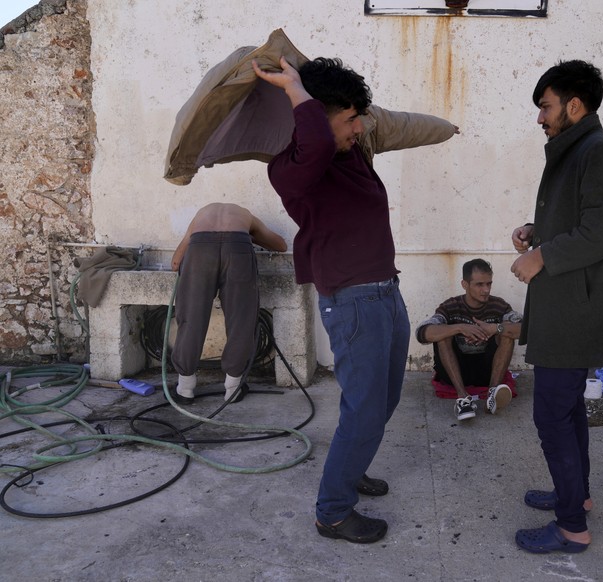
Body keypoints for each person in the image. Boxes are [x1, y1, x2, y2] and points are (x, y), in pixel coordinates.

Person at [252, 56, 458, 544]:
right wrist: (295, 89)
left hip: (385, 292)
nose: (359, 127)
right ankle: (333, 511)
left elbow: (379, 126)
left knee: (381, 402)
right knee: (364, 409)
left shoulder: (349, 154)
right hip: (353, 303)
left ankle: (351, 466)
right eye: (347, 119)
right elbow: (318, 137)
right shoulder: (294, 169)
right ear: (313, 117)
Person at [509, 60, 603, 554]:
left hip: (575, 313)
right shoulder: (578, 149)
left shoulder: (597, 152)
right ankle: (577, 496)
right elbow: (582, 217)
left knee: (551, 415)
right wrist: (536, 230)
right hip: (569, 305)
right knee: (566, 411)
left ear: (574, 105)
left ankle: (571, 526)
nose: (540, 117)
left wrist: (542, 255)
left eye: (545, 107)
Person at [170, 202, 288, 404]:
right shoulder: (247, 215)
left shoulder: (201, 214)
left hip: (200, 249)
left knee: (191, 317)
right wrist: (250, 236)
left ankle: (185, 388)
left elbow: (175, 263)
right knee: (241, 319)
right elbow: (281, 245)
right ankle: (233, 388)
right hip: (238, 246)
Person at [415, 258, 522, 420]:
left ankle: (492, 394)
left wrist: (495, 328)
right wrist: (459, 328)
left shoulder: (499, 306)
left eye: (489, 284)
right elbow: (422, 333)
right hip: (455, 372)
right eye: (479, 284)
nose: (486, 290)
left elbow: (523, 329)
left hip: (487, 371)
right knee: (442, 334)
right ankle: (463, 398)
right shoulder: (450, 307)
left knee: (507, 331)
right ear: (465, 284)